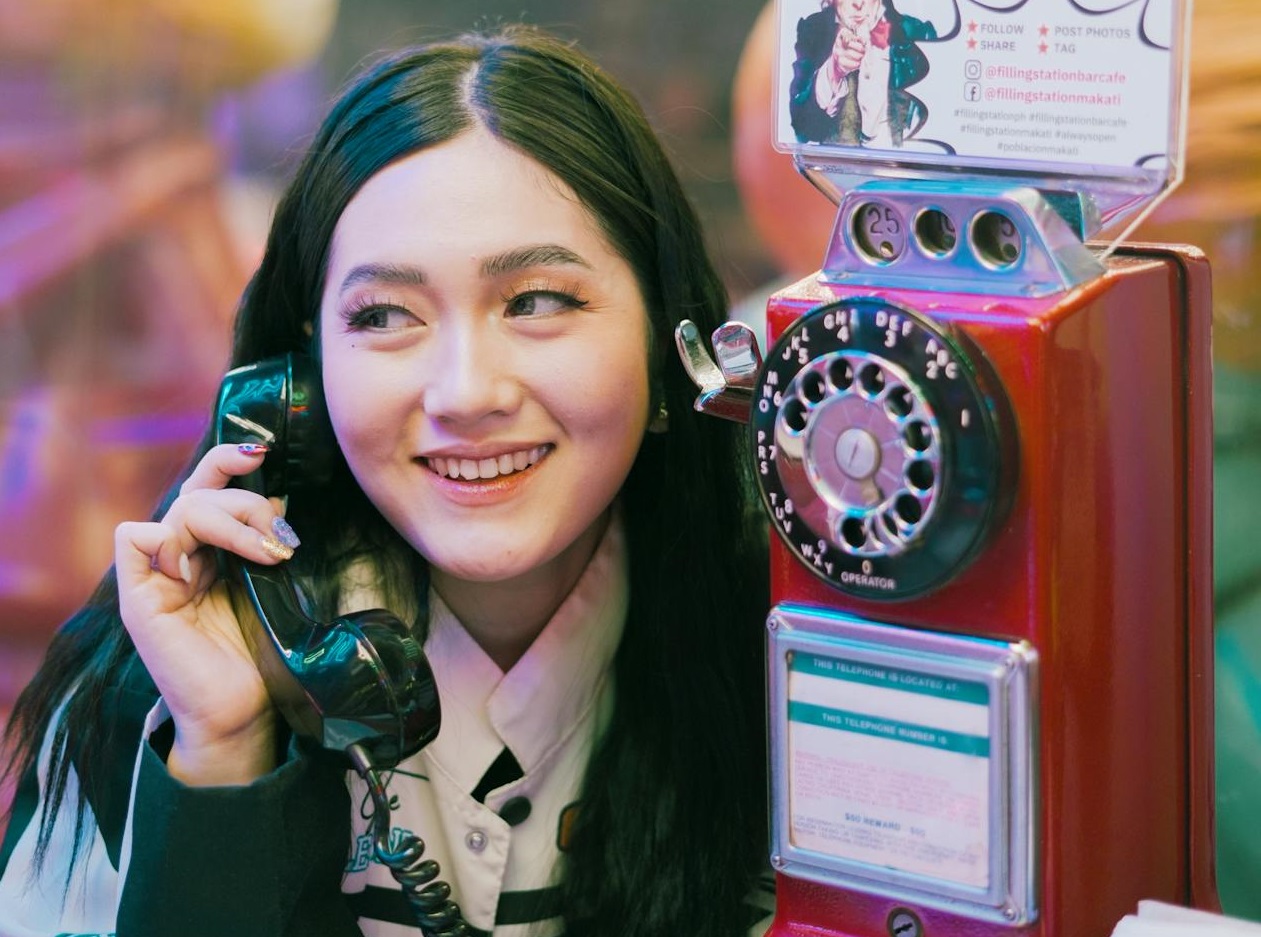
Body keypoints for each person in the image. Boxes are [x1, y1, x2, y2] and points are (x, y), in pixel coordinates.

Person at [0, 26, 771, 937]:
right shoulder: (151, 683)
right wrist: (220, 755)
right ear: (299, 385)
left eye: (535, 302)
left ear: (666, 347)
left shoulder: (784, 655)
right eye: (385, 314)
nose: (466, 392)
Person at [788, 0, 940, 148]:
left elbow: (931, 124)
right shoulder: (813, 30)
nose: (859, 4)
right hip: (837, 167)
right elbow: (801, 130)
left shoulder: (918, 33)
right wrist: (833, 72)